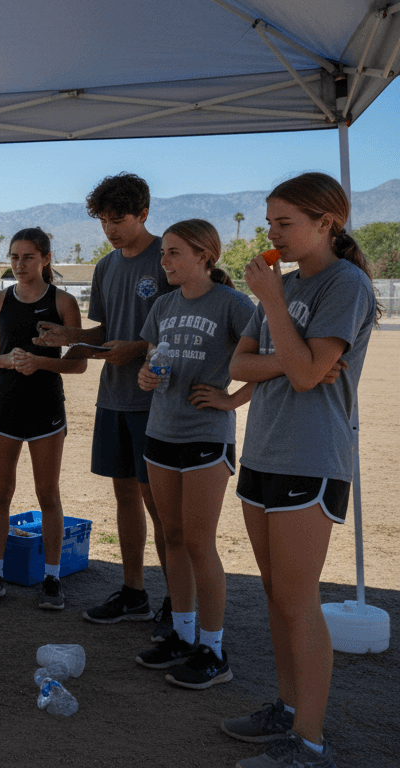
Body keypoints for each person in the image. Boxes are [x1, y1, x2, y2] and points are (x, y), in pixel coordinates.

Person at [222, 173, 375, 768]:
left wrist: (278, 319)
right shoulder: (285, 287)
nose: (272, 235)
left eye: (284, 223)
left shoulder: (345, 283)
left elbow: (311, 375)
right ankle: (287, 710)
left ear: (325, 223)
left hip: (311, 456)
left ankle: (310, 743)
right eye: (269, 224)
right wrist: (293, 358)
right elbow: (241, 363)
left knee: (298, 597)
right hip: (264, 449)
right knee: (276, 596)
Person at [35, 172, 177, 634]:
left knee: (161, 505)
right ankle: (134, 591)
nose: (111, 229)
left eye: (119, 220)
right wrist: (71, 336)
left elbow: (176, 331)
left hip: (156, 401)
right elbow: (105, 332)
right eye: (103, 221)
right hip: (114, 398)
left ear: (144, 213)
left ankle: (179, 603)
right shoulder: (105, 266)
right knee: (125, 497)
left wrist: (136, 349)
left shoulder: (168, 259)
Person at [130, 220, 254, 691]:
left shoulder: (234, 304)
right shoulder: (162, 305)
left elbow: (273, 359)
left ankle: (213, 649)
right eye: (164, 253)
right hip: (160, 432)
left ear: (204, 255)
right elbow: (151, 358)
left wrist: (232, 399)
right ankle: (182, 635)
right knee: (173, 536)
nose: (164, 262)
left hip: (206, 435)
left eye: (173, 253)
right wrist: (146, 376)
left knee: (201, 544)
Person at [0, 228, 86, 609]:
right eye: (15, 257)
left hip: (46, 409)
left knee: (47, 494)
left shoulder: (65, 302)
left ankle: (51, 579)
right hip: (3, 409)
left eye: (29, 258)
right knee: (0, 494)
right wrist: (7, 360)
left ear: (46, 259)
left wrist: (39, 363)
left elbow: (79, 363)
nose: (20, 265)